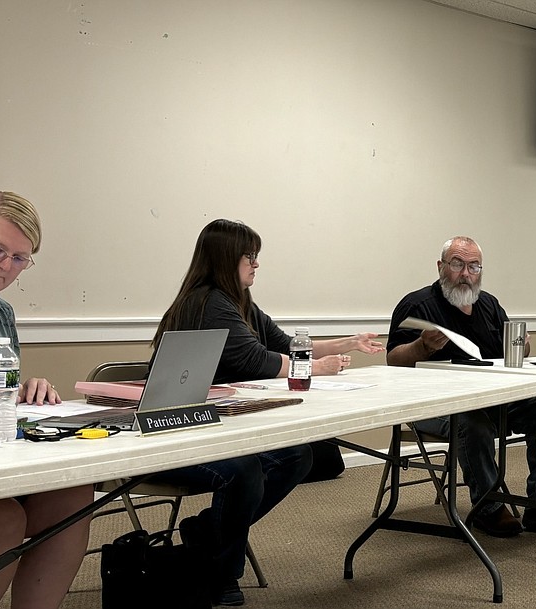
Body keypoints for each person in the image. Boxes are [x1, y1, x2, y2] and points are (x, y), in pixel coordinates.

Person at [149, 219, 379, 606]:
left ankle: (206, 533)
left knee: (297, 454)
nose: (256, 265)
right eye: (249, 257)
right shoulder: (208, 302)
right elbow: (257, 360)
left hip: (223, 425)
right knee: (245, 470)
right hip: (184, 432)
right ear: (226, 259)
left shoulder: (240, 302)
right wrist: (315, 368)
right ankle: (222, 572)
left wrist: (349, 342)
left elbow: (288, 344)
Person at [386, 236, 536, 538]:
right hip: (433, 404)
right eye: (457, 264)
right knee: (471, 422)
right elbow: (393, 361)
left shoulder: (489, 305)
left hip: (493, 398)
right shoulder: (418, 305)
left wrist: (521, 347)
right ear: (441, 266)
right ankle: (488, 507)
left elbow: (508, 356)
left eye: (474, 266)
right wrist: (420, 347)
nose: (466, 274)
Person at [0, 191, 93, 609]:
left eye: (19, 258)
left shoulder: (2, 315)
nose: (6, 265)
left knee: (72, 491)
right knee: (1, 517)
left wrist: (28, 387)